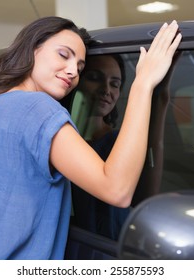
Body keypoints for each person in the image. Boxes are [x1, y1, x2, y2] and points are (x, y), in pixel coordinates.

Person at [0, 16, 181, 259]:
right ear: (32, 50)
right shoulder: (38, 109)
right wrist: (143, 83)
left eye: (81, 67)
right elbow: (117, 190)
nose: (73, 71)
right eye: (64, 55)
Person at [71, 54, 130, 240]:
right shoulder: (57, 137)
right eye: (95, 78)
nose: (106, 90)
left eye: (115, 83)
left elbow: (145, 196)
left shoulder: (120, 143)